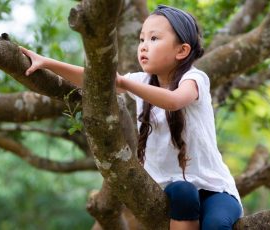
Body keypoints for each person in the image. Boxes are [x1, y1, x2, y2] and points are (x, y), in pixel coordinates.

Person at [21, 5, 242, 230]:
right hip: (173, 191)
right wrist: (47, 62)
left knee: (215, 224)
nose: (144, 46)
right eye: (141, 39)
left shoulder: (195, 78)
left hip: (214, 190)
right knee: (183, 191)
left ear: (182, 51)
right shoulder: (142, 80)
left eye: (154, 39)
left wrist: (124, 83)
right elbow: (93, 77)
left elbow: (174, 100)